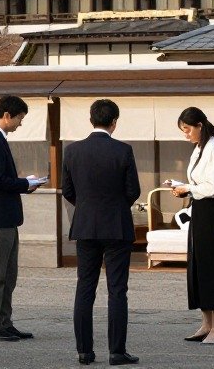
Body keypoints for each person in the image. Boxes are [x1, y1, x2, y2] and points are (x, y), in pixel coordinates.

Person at [61, 98, 142, 366]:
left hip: (85, 225)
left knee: (85, 287)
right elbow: (133, 191)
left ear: (91, 120)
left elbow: (68, 190)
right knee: (117, 289)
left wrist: (86, 206)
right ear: (114, 122)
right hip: (116, 226)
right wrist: (115, 206)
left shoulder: (72, 151)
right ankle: (117, 352)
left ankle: (84, 351)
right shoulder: (123, 150)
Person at [0, 94, 42, 342]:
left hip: (5, 218)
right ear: (7, 115)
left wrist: (24, 183)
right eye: (19, 118)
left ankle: (4, 322)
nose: (20, 123)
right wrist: (25, 184)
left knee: (8, 274)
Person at [171, 106, 214, 346]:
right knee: (198, 265)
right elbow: (200, 184)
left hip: (211, 211)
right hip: (199, 209)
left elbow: (213, 186)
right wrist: (184, 188)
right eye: (183, 130)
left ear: (199, 126)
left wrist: (187, 188)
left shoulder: (213, 148)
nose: (186, 134)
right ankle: (206, 323)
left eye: (188, 129)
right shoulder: (199, 148)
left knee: (212, 267)